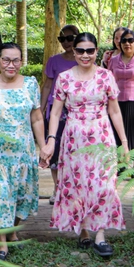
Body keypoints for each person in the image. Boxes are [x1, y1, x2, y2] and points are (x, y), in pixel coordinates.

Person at [40, 32, 130, 258]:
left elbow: (114, 110)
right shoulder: (64, 78)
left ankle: (100, 235)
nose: (85, 55)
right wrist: (51, 140)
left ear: (96, 51)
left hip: (101, 136)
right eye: (80, 50)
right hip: (73, 138)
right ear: (74, 51)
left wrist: (125, 142)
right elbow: (56, 112)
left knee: (102, 184)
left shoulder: (105, 76)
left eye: (90, 50)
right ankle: (83, 229)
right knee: (78, 184)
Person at [0, 42, 46, 261]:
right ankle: (1, 244)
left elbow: (36, 117)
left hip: (23, 153)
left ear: (21, 61)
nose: (10, 65)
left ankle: (12, 229)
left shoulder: (31, 84)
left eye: (15, 60)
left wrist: (43, 146)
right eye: (6, 60)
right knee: (0, 196)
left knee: (23, 195)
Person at [40, 24, 80, 204]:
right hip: (56, 109)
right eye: (62, 39)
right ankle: (57, 188)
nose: (66, 42)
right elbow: (48, 85)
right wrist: (40, 108)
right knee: (54, 147)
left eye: (70, 38)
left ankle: (73, 188)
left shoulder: (85, 59)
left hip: (77, 109)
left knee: (75, 148)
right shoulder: (54, 61)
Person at [107, 29, 134, 168]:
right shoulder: (113, 60)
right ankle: (121, 164)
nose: (127, 43)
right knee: (118, 132)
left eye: (130, 40)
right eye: (124, 41)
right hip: (117, 103)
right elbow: (108, 81)